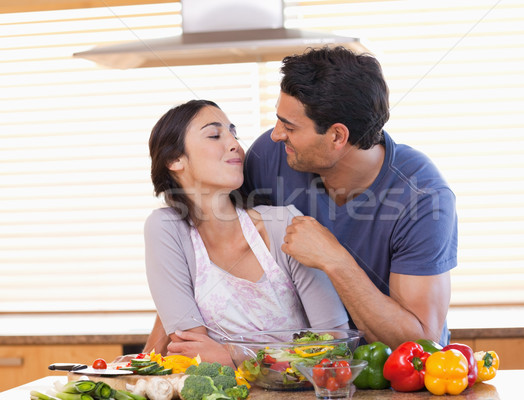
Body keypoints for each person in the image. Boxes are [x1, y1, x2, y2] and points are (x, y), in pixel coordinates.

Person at [241, 46, 458, 349]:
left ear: (337, 136)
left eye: (289, 126)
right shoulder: (269, 156)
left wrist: (335, 260)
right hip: (303, 367)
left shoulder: (422, 196)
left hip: (392, 379)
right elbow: (206, 250)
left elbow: (420, 343)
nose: (277, 134)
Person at [143, 99, 348, 365]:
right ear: (174, 159)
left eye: (234, 134)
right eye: (215, 135)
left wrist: (231, 356)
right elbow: (191, 350)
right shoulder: (166, 229)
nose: (234, 144)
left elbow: (335, 343)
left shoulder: (284, 225)